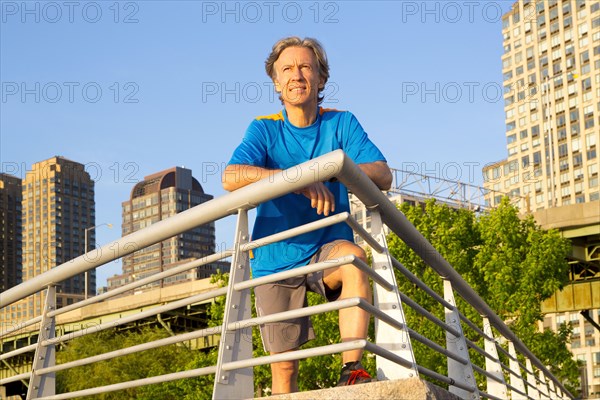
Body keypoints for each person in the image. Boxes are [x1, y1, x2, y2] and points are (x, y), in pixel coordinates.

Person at [222, 36, 392, 394]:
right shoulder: (264, 128)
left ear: (321, 79)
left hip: (326, 248)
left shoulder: (341, 124)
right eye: (287, 69)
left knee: (355, 259)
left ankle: (352, 369)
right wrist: (298, 182)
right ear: (276, 83)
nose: (296, 75)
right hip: (275, 256)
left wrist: (330, 170)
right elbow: (231, 176)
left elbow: (382, 174)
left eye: (305, 67)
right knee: (284, 370)